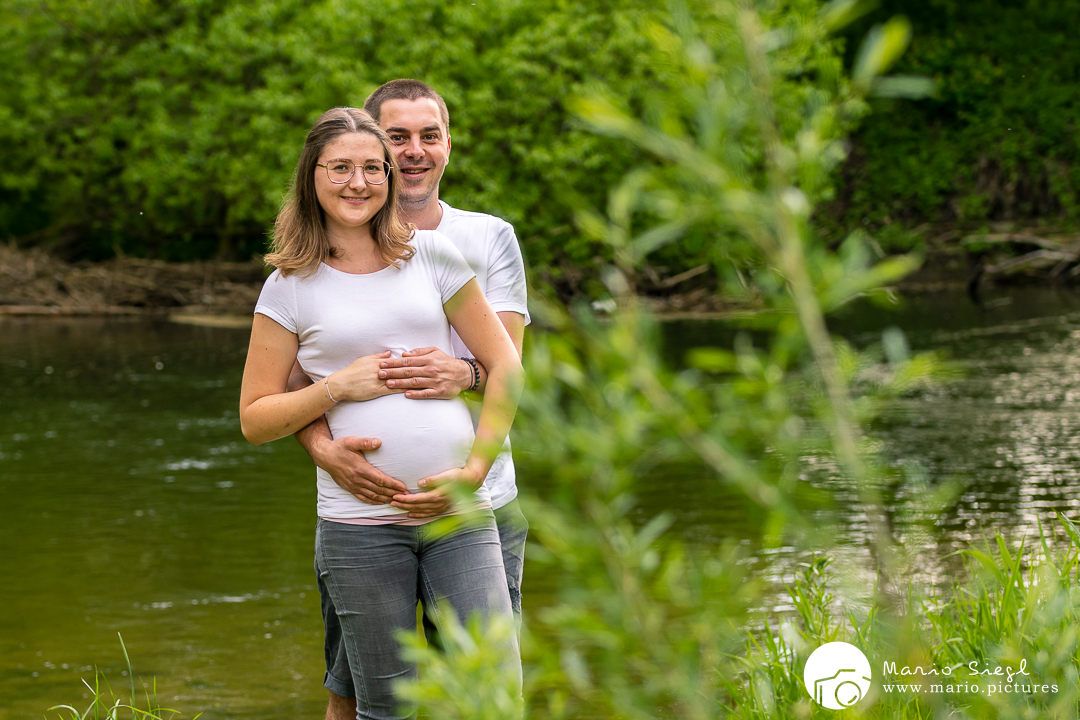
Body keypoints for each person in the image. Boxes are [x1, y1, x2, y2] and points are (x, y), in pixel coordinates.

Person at [239, 107, 523, 720]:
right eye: (340, 168)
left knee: (494, 692)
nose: (358, 182)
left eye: (373, 168)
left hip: (459, 516)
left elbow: (507, 368)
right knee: (386, 706)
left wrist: (474, 472)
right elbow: (256, 418)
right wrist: (335, 387)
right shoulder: (289, 285)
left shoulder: (433, 255)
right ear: (311, 176)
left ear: (390, 177)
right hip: (358, 528)